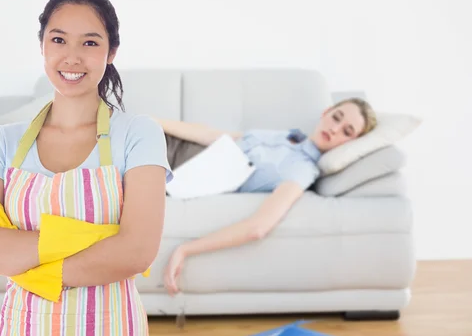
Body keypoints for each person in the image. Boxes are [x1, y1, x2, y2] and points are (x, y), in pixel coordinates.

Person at [0, 0, 171, 336]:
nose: (72, 56)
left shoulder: (139, 135)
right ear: (42, 46)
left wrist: (30, 267)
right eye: (59, 39)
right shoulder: (3, 143)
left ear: (111, 53)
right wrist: (97, 239)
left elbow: (137, 252)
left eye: (90, 42)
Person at [158, 97, 377, 296]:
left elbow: (258, 227)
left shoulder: (302, 170)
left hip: (173, 168)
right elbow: (212, 136)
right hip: (167, 145)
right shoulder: (288, 136)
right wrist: (152, 121)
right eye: (336, 117)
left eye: (347, 131)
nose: (335, 128)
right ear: (326, 113)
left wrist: (185, 249)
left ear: (351, 143)